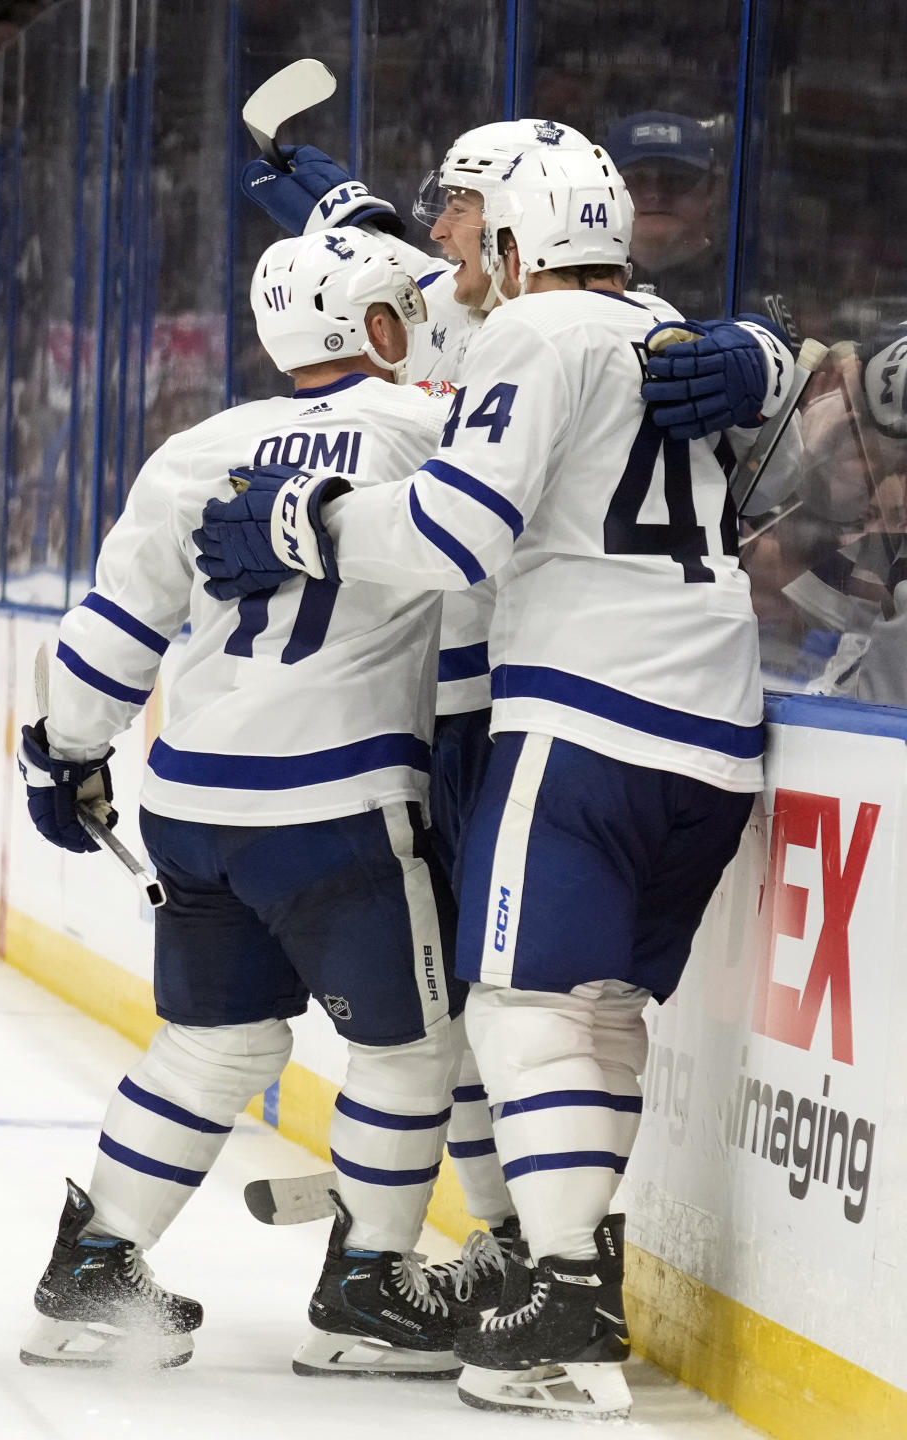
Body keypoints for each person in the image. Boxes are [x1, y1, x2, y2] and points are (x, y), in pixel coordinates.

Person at [195, 140, 795, 1419]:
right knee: (591, 1004)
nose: (445, 242)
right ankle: (543, 1261)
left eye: (463, 217)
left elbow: (458, 528)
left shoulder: (527, 325)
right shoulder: (645, 317)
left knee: (521, 1007)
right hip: (711, 715)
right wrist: (761, 353)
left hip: (573, 705)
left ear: (508, 237)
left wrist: (307, 524)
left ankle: (563, 1291)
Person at [16, 227, 482, 1377]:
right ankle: (371, 1290)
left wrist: (62, 754)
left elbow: (113, 629)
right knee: (411, 1053)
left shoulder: (198, 447)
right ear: (378, 326)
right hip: (342, 801)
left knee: (210, 1044)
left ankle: (92, 1274)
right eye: (402, 311)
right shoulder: (430, 435)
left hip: (195, 802)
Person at [603, 110, 727, 319]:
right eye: (636, 179)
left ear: (712, 189)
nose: (655, 194)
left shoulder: (744, 286)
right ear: (605, 190)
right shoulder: (573, 283)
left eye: (676, 178)